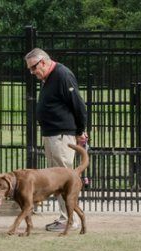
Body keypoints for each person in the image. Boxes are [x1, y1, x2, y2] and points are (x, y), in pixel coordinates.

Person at [24, 48, 89, 232]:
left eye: (33, 67)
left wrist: (80, 130)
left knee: (64, 179)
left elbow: (78, 104)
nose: (32, 72)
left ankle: (70, 219)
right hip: (52, 134)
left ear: (43, 62)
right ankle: (65, 217)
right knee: (56, 180)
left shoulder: (62, 74)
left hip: (61, 135)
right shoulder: (49, 77)